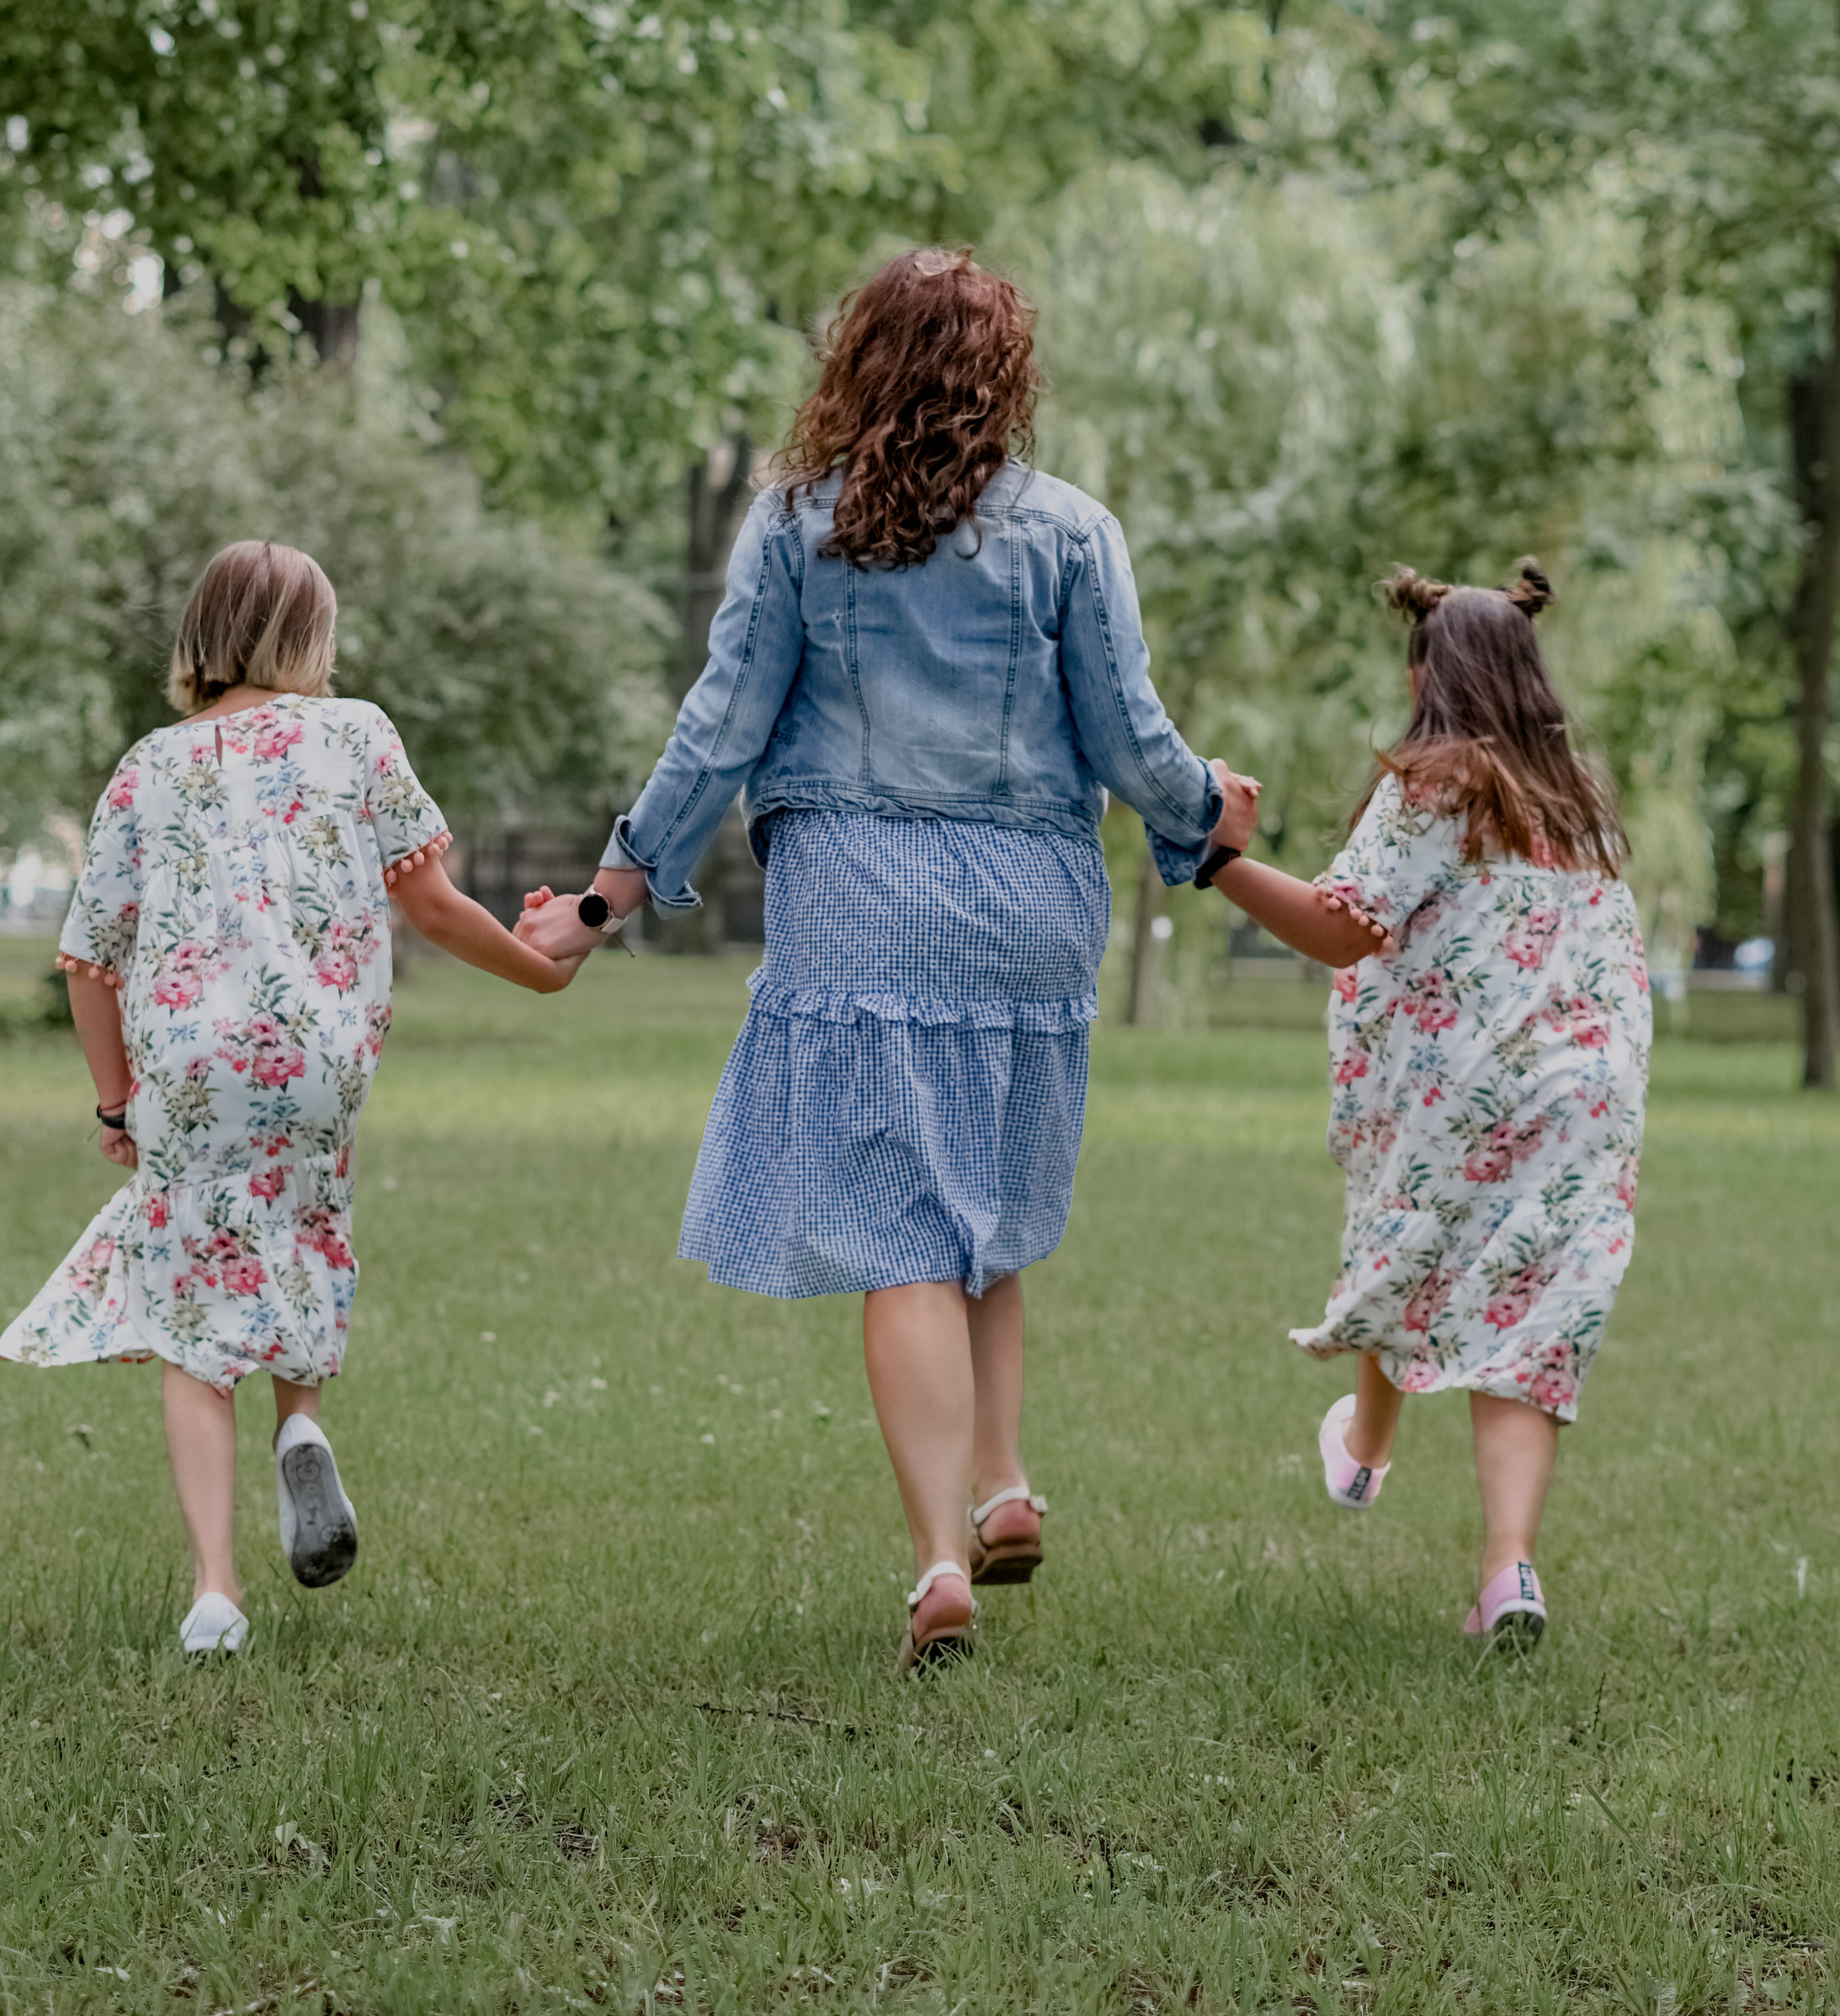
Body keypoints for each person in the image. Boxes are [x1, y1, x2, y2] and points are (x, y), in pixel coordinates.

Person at [517, 248, 1258, 1671]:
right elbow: (1127, 734)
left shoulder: (799, 525)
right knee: (984, 1203)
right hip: (1032, 902)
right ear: (1008, 379)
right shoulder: (1072, 530)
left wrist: (604, 902)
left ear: (856, 363)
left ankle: (938, 1556)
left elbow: (720, 726)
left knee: (899, 1231)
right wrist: (1204, 810)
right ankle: (1006, 1481)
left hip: (860, 894)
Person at [0, 540, 576, 1657]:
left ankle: (216, 1590)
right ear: (312, 641)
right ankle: (300, 1429)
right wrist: (543, 965)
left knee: (188, 1320)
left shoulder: (148, 770)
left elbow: (89, 962)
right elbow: (438, 908)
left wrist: (115, 1101)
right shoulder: (357, 737)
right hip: (318, 1061)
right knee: (304, 1240)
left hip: (187, 1068)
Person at [1201, 561, 1649, 1652]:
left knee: (1410, 1242)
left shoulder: (1438, 781)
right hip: (1587, 1097)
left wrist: (1216, 863)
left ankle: (1364, 1445)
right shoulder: (1578, 801)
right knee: (1528, 1329)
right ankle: (1505, 1571)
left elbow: (1343, 923)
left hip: (1472, 1088)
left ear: (1429, 680)